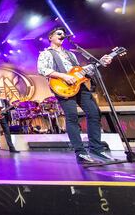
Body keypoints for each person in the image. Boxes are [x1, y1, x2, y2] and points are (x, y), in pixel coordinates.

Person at [37, 27, 114, 165]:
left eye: (63, 33)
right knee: (72, 117)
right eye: (58, 33)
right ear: (51, 38)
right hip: (63, 87)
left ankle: (96, 149)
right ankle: (81, 153)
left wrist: (99, 63)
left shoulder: (71, 54)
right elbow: (42, 69)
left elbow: (80, 72)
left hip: (79, 86)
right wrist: (63, 76)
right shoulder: (46, 54)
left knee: (94, 113)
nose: (62, 35)